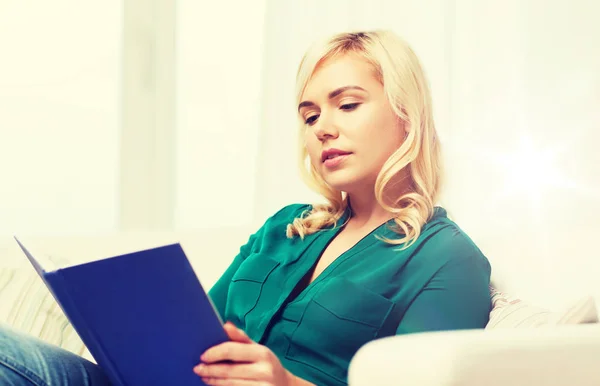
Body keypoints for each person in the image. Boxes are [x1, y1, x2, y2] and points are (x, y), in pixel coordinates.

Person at [0, 30, 491, 385]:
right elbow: (199, 331)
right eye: (310, 114)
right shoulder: (285, 227)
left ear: (407, 114)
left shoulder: (449, 259)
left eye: (347, 104)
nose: (321, 128)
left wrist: (286, 385)